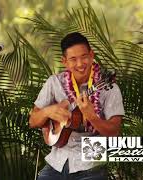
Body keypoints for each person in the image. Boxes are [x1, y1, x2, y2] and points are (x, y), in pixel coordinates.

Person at [29, 32, 125, 180]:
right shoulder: (54, 83)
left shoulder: (109, 87)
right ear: (64, 61)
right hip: (58, 160)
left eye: (84, 57)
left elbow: (114, 131)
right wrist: (48, 111)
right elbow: (33, 121)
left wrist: (92, 117)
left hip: (91, 161)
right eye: (73, 59)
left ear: (92, 55)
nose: (80, 64)